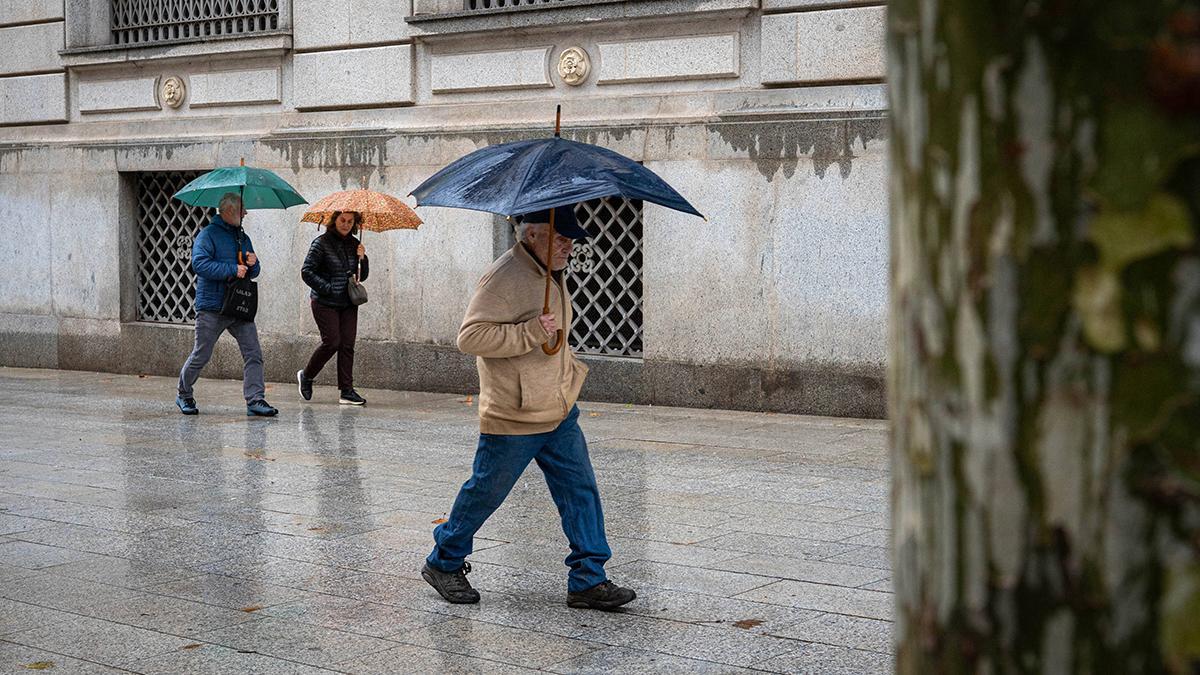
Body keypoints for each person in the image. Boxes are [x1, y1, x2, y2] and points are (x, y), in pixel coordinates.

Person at [421, 206, 636, 611]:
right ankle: (443, 561)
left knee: (580, 491)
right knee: (486, 492)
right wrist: (530, 332)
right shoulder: (504, 277)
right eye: (561, 238)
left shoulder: (548, 272)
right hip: (514, 413)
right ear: (532, 234)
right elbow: (470, 337)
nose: (569, 246)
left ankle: (589, 578)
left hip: (556, 406)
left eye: (572, 239)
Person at [176, 192, 278, 417]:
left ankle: (255, 400)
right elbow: (199, 264)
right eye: (243, 210)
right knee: (202, 354)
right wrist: (232, 269)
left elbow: (253, 270)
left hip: (239, 305)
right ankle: (184, 393)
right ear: (229, 212)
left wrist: (253, 263)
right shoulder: (208, 235)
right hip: (212, 306)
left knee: (253, 353)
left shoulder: (243, 236)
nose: (246, 213)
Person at [297, 211, 369, 405]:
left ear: (354, 223)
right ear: (334, 220)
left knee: (347, 345)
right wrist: (327, 288)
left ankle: (346, 391)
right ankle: (307, 375)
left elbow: (363, 275)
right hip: (324, 302)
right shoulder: (321, 243)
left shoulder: (355, 244)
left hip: (348, 302)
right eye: (342, 220)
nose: (346, 224)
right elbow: (307, 271)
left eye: (350, 221)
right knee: (332, 342)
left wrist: (362, 258)